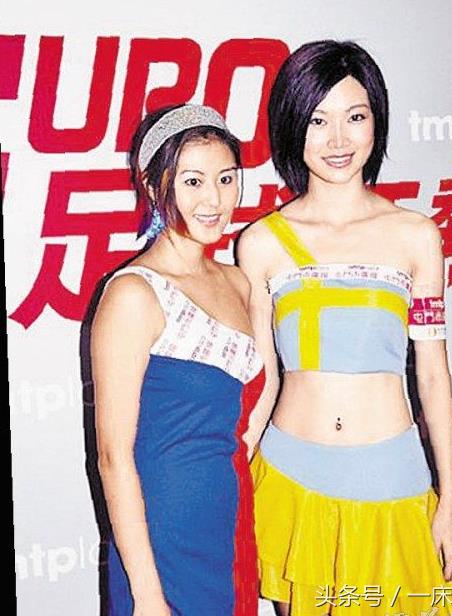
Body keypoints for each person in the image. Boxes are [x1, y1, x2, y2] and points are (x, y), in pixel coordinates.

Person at [237, 40, 452, 616]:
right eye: (318, 120)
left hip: (391, 477)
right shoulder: (262, 243)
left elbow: (432, 377)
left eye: (355, 117)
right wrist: (234, 478)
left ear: (376, 122)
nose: (338, 140)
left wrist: (451, 499)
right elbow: (264, 379)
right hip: (290, 477)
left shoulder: (416, 236)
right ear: (292, 125)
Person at [90, 103, 264, 616]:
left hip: (230, 520)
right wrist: (147, 594)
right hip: (161, 537)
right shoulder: (133, 294)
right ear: (152, 185)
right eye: (192, 182)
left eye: (226, 179)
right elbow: (113, 457)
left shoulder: (239, 282)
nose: (214, 200)